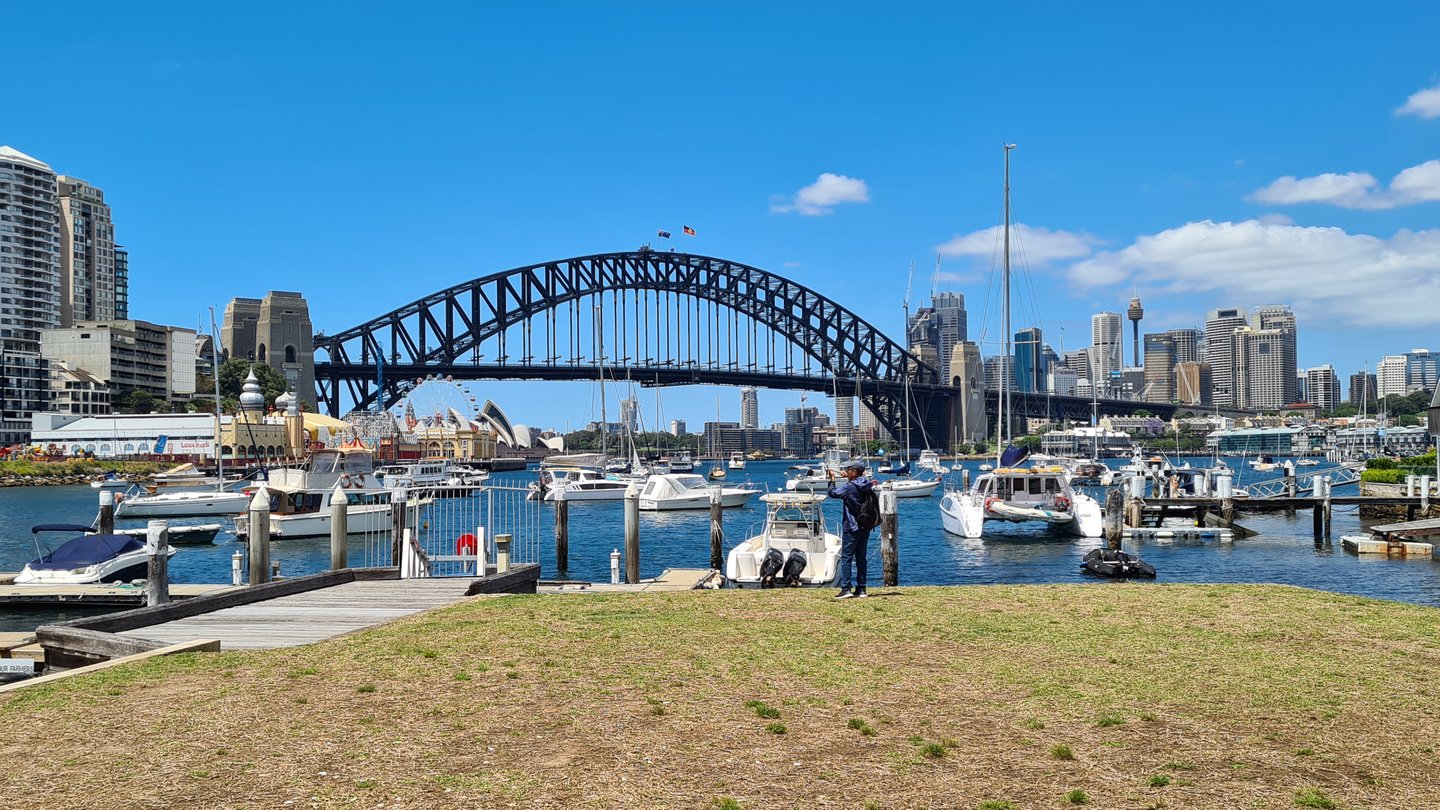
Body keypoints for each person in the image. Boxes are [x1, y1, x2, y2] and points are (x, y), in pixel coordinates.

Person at [826, 459, 875, 599]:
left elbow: (833, 493)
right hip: (865, 526)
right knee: (861, 558)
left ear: (853, 472)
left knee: (846, 558)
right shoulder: (866, 483)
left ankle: (846, 588)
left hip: (852, 526)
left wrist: (832, 480)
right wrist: (847, 477)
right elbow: (856, 482)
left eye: (848, 470)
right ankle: (862, 589)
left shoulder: (849, 487)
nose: (846, 472)